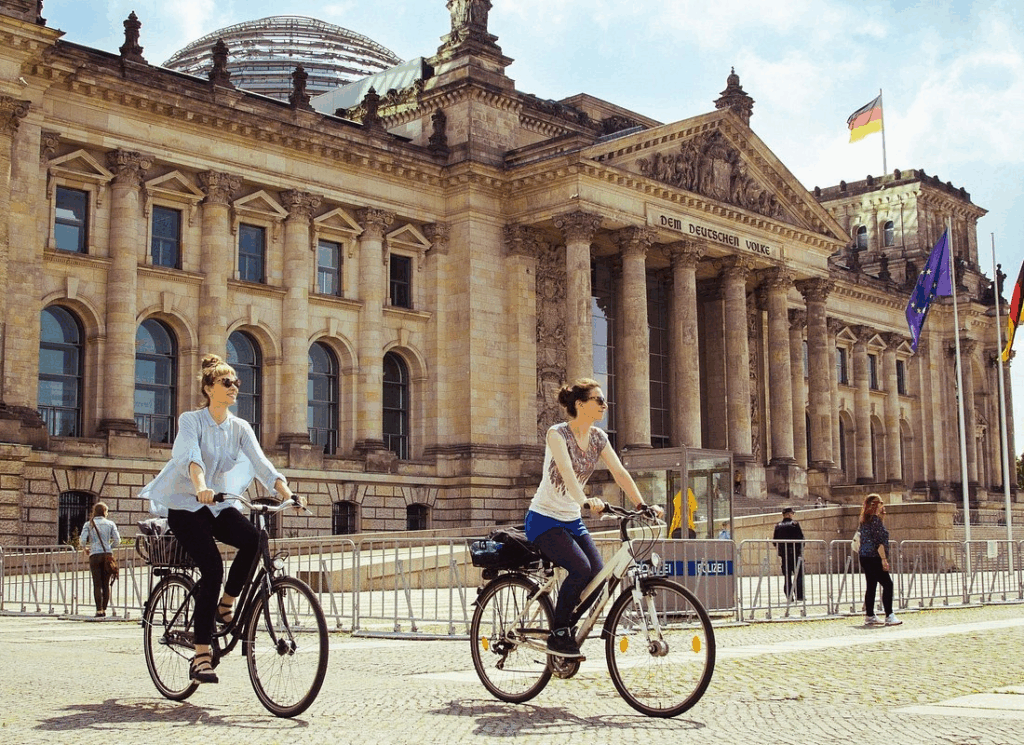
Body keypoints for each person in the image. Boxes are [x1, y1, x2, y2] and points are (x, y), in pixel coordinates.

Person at [139, 354, 299, 684]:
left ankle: (226, 604)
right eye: (227, 382)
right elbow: (189, 457)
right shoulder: (191, 421)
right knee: (212, 567)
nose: (235, 387)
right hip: (186, 506)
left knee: (254, 540)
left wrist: (287, 494)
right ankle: (200, 656)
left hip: (217, 505)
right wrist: (200, 487)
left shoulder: (239, 427)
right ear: (209, 388)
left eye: (237, 383)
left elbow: (262, 464)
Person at [525, 378, 661, 659]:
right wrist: (585, 500)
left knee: (598, 576)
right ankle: (559, 632)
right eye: (598, 400)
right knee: (580, 568)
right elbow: (566, 472)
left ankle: (565, 625)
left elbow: (619, 472)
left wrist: (641, 504)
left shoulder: (599, 437)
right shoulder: (557, 434)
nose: (604, 404)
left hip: (571, 520)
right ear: (580, 404)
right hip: (544, 519)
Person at [858, 493, 901, 626]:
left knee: (871, 586)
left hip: (864, 557)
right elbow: (879, 543)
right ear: (875, 505)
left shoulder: (865, 520)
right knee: (888, 584)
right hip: (874, 557)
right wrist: (884, 559)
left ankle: (870, 615)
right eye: (880, 503)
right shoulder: (875, 521)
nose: (883, 505)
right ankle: (889, 615)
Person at [79, 502, 120, 617]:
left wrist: (85, 548)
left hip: (94, 555)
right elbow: (118, 540)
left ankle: (99, 610)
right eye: (107, 511)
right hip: (107, 555)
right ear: (104, 512)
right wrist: (109, 547)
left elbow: (82, 540)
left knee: (97, 583)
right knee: (106, 583)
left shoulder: (89, 524)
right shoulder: (110, 524)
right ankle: (105, 609)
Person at [772, 507, 805, 601]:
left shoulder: (778, 526)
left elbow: (774, 541)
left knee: (787, 576)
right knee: (798, 574)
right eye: (792, 513)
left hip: (784, 555)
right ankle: (799, 596)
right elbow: (801, 539)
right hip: (795, 554)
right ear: (789, 514)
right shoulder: (795, 524)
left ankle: (789, 596)